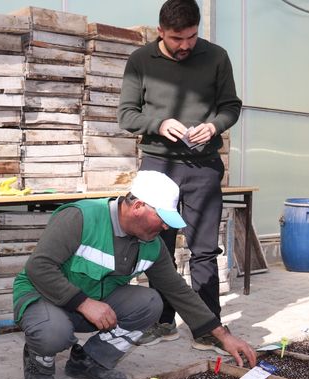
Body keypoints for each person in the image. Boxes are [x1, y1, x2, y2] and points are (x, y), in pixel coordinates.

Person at [13, 170, 256, 379]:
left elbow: (178, 291)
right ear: (138, 206)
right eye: (162, 218)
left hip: (92, 304)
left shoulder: (151, 244)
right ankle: (38, 358)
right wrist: (84, 303)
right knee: (53, 332)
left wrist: (222, 336)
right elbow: (39, 267)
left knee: (150, 301)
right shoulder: (81, 217)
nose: (164, 226)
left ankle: (89, 360)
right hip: (44, 298)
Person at [118, 0, 242, 351]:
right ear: (160, 32)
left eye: (191, 36)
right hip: (158, 167)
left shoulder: (216, 57)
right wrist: (158, 124)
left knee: (203, 251)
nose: (185, 44)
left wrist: (213, 126)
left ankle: (206, 328)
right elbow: (126, 115)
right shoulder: (140, 61)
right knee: (158, 248)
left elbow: (231, 106)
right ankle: (161, 322)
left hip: (203, 167)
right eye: (176, 38)